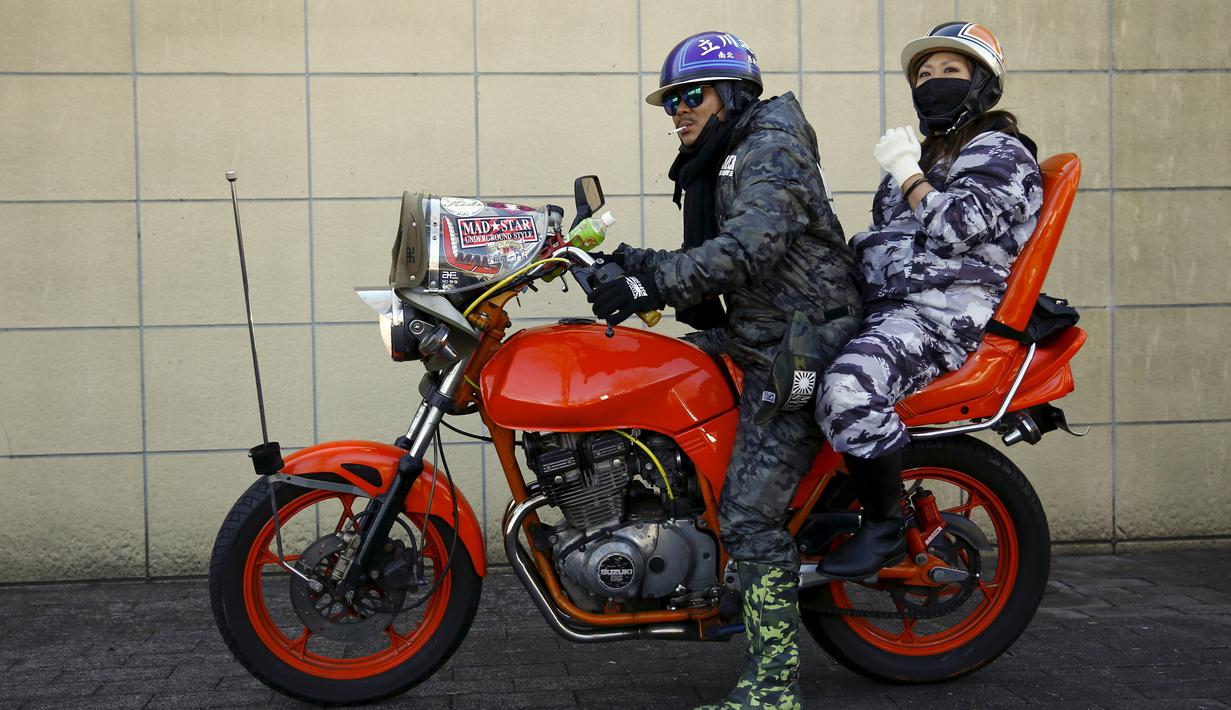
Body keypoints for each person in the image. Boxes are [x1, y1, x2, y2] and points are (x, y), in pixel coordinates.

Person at [587, 30, 863, 709]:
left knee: (746, 516)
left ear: (732, 94)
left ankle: (773, 689)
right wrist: (629, 261)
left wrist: (650, 288)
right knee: (649, 386)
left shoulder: (770, 149)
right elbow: (714, 253)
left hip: (799, 346)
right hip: (753, 334)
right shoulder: (725, 153)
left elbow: (746, 249)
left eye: (690, 96)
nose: (676, 111)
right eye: (669, 102)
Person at [816, 22, 1043, 579]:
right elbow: (889, 238)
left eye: (950, 71)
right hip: (885, 308)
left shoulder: (1001, 151)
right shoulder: (930, 154)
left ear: (982, 85)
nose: (931, 82)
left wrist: (907, 172)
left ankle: (886, 526)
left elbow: (955, 227)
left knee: (848, 389)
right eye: (923, 74)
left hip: (939, 317)